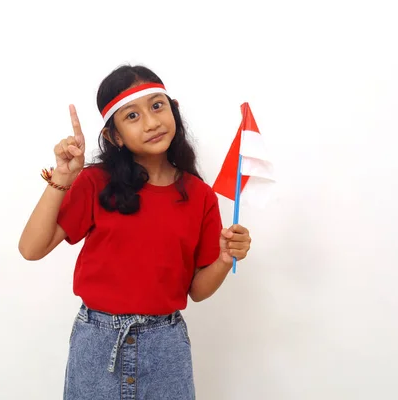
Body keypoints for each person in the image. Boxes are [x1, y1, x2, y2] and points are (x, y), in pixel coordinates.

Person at [18, 64, 252, 400]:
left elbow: (197, 291)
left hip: (166, 348)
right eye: (132, 116)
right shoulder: (96, 182)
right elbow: (31, 248)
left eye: (157, 106)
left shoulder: (199, 195)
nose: (152, 122)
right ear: (115, 136)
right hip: (97, 344)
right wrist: (62, 178)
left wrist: (224, 259)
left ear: (173, 110)